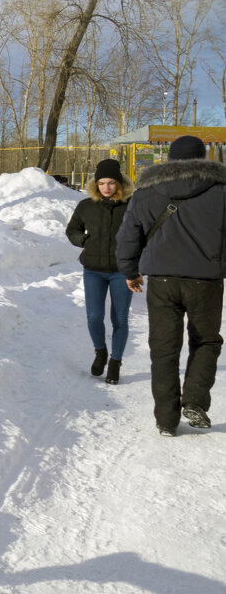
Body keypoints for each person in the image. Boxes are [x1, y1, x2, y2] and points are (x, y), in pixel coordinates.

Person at [116, 135, 226, 436]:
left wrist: (130, 269)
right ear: (203, 158)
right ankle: (194, 400)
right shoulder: (221, 191)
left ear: (170, 159)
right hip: (206, 280)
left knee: (164, 348)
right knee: (206, 341)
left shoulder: (147, 191)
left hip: (162, 281)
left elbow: (128, 235)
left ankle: (166, 419)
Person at [66, 158, 134, 383]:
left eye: (111, 183)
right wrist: (83, 241)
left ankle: (115, 362)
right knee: (94, 317)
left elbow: (143, 234)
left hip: (121, 270)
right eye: (102, 183)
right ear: (96, 184)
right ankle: (100, 351)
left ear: (120, 183)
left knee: (120, 319)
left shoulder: (131, 206)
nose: (106, 187)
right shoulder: (86, 205)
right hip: (93, 270)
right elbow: (72, 229)